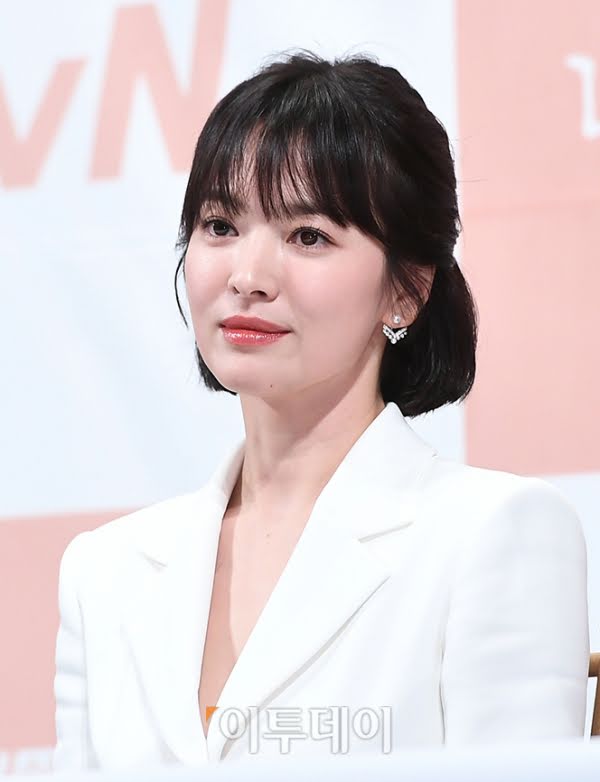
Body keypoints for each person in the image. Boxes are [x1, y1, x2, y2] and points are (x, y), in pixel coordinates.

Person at [52, 49, 590, 770]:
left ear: (406, 290)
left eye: (308, 236)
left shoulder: (491, 535)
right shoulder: (103, 572)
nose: (248, 276)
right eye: (220, 226)